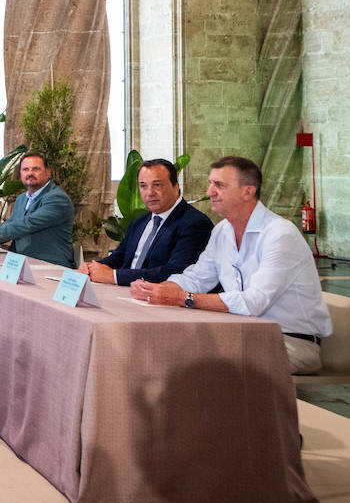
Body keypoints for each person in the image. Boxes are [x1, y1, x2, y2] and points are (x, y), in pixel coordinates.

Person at [131, 156, 332, 374]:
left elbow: (254, 302)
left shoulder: (280, 234)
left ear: (248, 191)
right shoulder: (222, 231)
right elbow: (196, 278)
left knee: (192, 358)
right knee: (165, 345)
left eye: (219, 185)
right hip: (242, 332)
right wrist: (160, 288)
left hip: (289, 341)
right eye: (210, 184)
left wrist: (183, 298)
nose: (209, 192)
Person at [81, 158, 212, 286]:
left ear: (176, 187)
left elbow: (175, 271)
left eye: (157, 185)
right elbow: (119, 257)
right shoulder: (140, 221)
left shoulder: (195, 224)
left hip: (163, 301)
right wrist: (92, 267)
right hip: (128, 293)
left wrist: (114, 276)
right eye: (143, 186)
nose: (150, 193)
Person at [0, 152, 75, 267]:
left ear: (47, 172)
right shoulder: (22, 198)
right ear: (20, 173)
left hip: (51, 267)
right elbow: (11, 224)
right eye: (25, 169)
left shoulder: (57, 198)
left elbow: (27, 224)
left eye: (36, 169)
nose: (30, 173)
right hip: (21, 264)